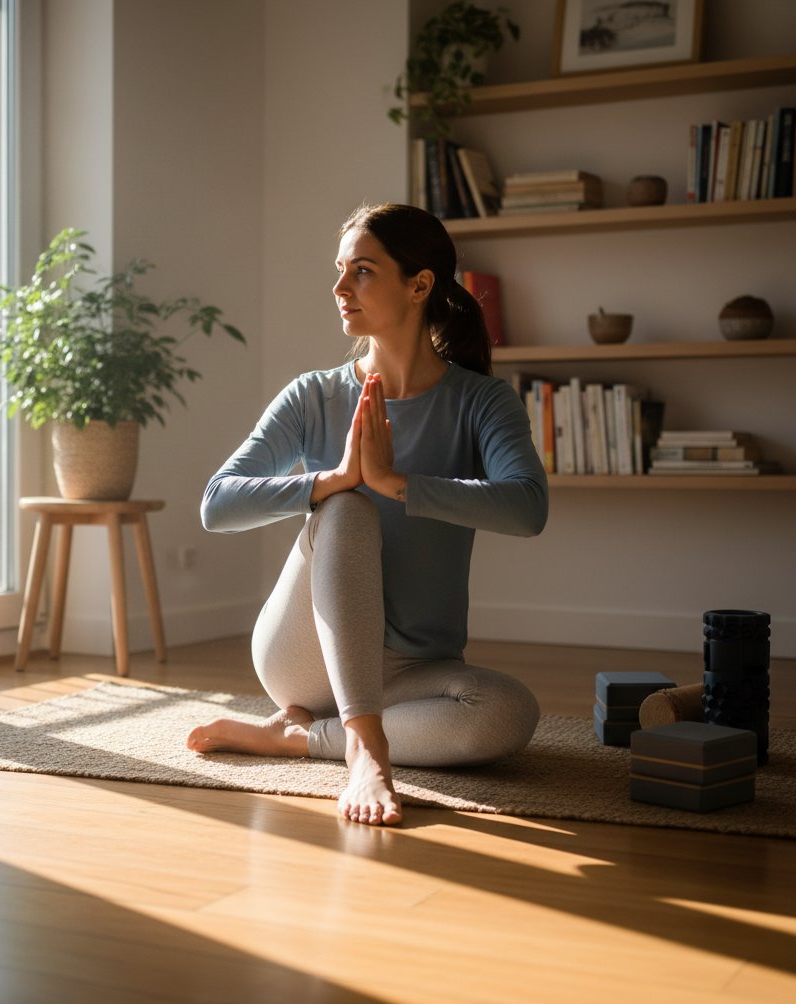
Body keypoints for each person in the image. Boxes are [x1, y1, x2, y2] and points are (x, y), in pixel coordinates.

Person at [187, 202, 548, 826]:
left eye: (361, 270)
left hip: (413, 669)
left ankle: (299, 738)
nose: (339, 288)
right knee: (349, 510)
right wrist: (331, 482)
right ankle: (365, 748)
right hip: (303, 660)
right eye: (339, 270)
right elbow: (217, 504)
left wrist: (399, 483)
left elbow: (528, 508)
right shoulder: (314, 394)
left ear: (419, 284)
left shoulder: (481, 401)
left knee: (508, 712)